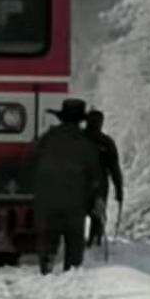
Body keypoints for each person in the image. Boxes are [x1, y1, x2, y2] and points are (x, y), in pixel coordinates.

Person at [31, 98, 102, 274]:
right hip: (76, 200)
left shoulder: (47, 138)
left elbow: (32, 160)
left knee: (48, 234)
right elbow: (96, 173)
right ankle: (71, 270)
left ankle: (46, 266)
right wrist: (97, 198)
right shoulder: (86, 142)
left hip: (47, 197)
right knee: (74, 237)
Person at [84, 110, 124, 249]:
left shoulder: (78, 139)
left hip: (78, 185)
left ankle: (82, 241)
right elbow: (114, 169)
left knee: (77, 216)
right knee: (98, 216)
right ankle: (94, 242)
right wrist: (119, 190)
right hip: (99, 186)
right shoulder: (106, 142)